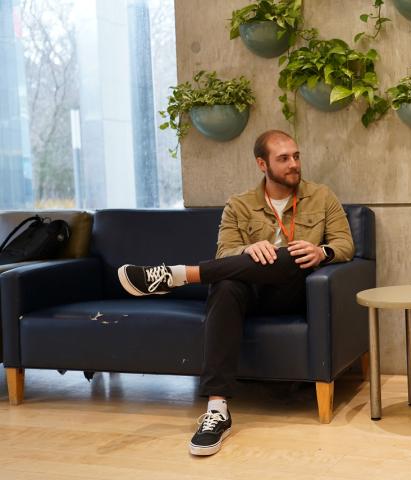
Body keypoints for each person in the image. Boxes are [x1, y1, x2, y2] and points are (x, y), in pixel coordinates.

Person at [116, 130, 354, 456]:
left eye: (296, 156)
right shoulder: (239, 205)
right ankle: (217, 409)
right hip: (250, 295)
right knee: (227, 284)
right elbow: (223, 254)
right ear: (262, 164)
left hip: (295, 293)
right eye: (283, 158)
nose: (294, 164)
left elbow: (346, 245)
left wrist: (321, 253)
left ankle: (176, 275)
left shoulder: (322, 196)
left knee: (289, 256)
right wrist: (246, 251)